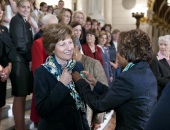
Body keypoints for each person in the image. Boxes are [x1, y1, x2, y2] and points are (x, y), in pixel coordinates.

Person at [72, 29, 157, 130]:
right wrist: (95, 83)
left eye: (120, 50)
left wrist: (80, 82)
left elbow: (99, 104)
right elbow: (116, 95)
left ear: (128, 51)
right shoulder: (145, 70)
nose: (117, 55)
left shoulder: (129, 77)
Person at [34, 23, 89, 130]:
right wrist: (62, 85)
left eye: (70, 42)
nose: (69, 48)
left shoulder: (77, 66)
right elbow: (42, 110)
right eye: (62, 44)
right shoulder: (42, 72)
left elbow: (82, 103)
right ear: (52, 48)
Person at [71, 21, 108, 130]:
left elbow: (103, 92)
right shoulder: (64, 64)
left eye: (70, 46)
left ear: (76, 47)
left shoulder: (93, 63)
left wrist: (98, 119)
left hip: (87, 114)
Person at [30, 13, 58, 125]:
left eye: (56, 25)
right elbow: (37, 69)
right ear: (44, 27)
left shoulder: (58, 42)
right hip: (45, 86)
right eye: (51, 26)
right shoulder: (38, 43)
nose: (54, 28)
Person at [9, 0, 33, 129]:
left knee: (22, 95)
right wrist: (30, 59)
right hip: (19, 62)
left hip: (22, 61)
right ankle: (19, 127)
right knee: (19, 96)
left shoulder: (24, 21)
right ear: (17, 8)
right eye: (23, 7)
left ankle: (21, 126)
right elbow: (20, 44)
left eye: (28, 7)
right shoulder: (16, 20)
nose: (25, 9)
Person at [0, 0, 12, 123]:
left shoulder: (4, 29)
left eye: (2, 9)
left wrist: (8, 68)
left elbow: (9, 53)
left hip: (2, 75)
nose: (0, 11)